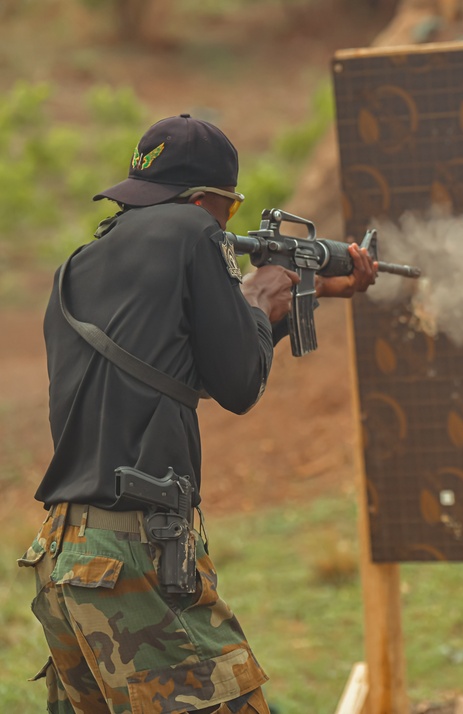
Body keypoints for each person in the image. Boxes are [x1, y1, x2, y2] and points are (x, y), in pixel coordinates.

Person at [17, 114, 376, 713]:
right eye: (229, 212)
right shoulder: (192, 230)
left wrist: (298, 298)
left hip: (64, 557)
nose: (224, 227)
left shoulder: (77, 266)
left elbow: (191, 366)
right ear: (208, 201)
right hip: (136, 555)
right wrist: (260, 294)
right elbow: (238, 386)